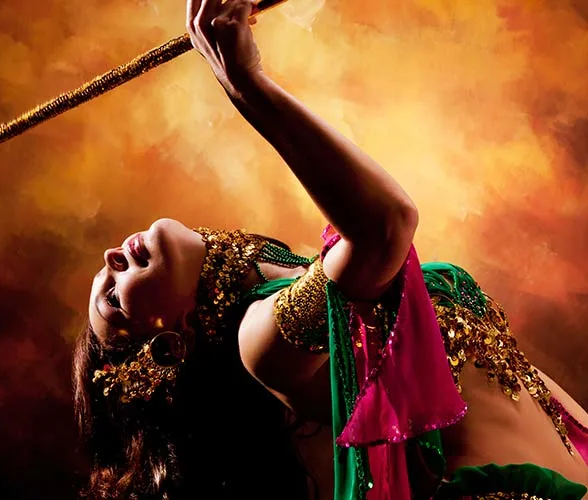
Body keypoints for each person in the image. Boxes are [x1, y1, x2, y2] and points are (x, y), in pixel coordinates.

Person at [71, 0, 588, 498]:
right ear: (172, 345)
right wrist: (244, 82)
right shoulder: (260, 342)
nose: (110, 261)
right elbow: (387, 224)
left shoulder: (294, 280)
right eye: (112, 298)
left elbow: (540, 401)